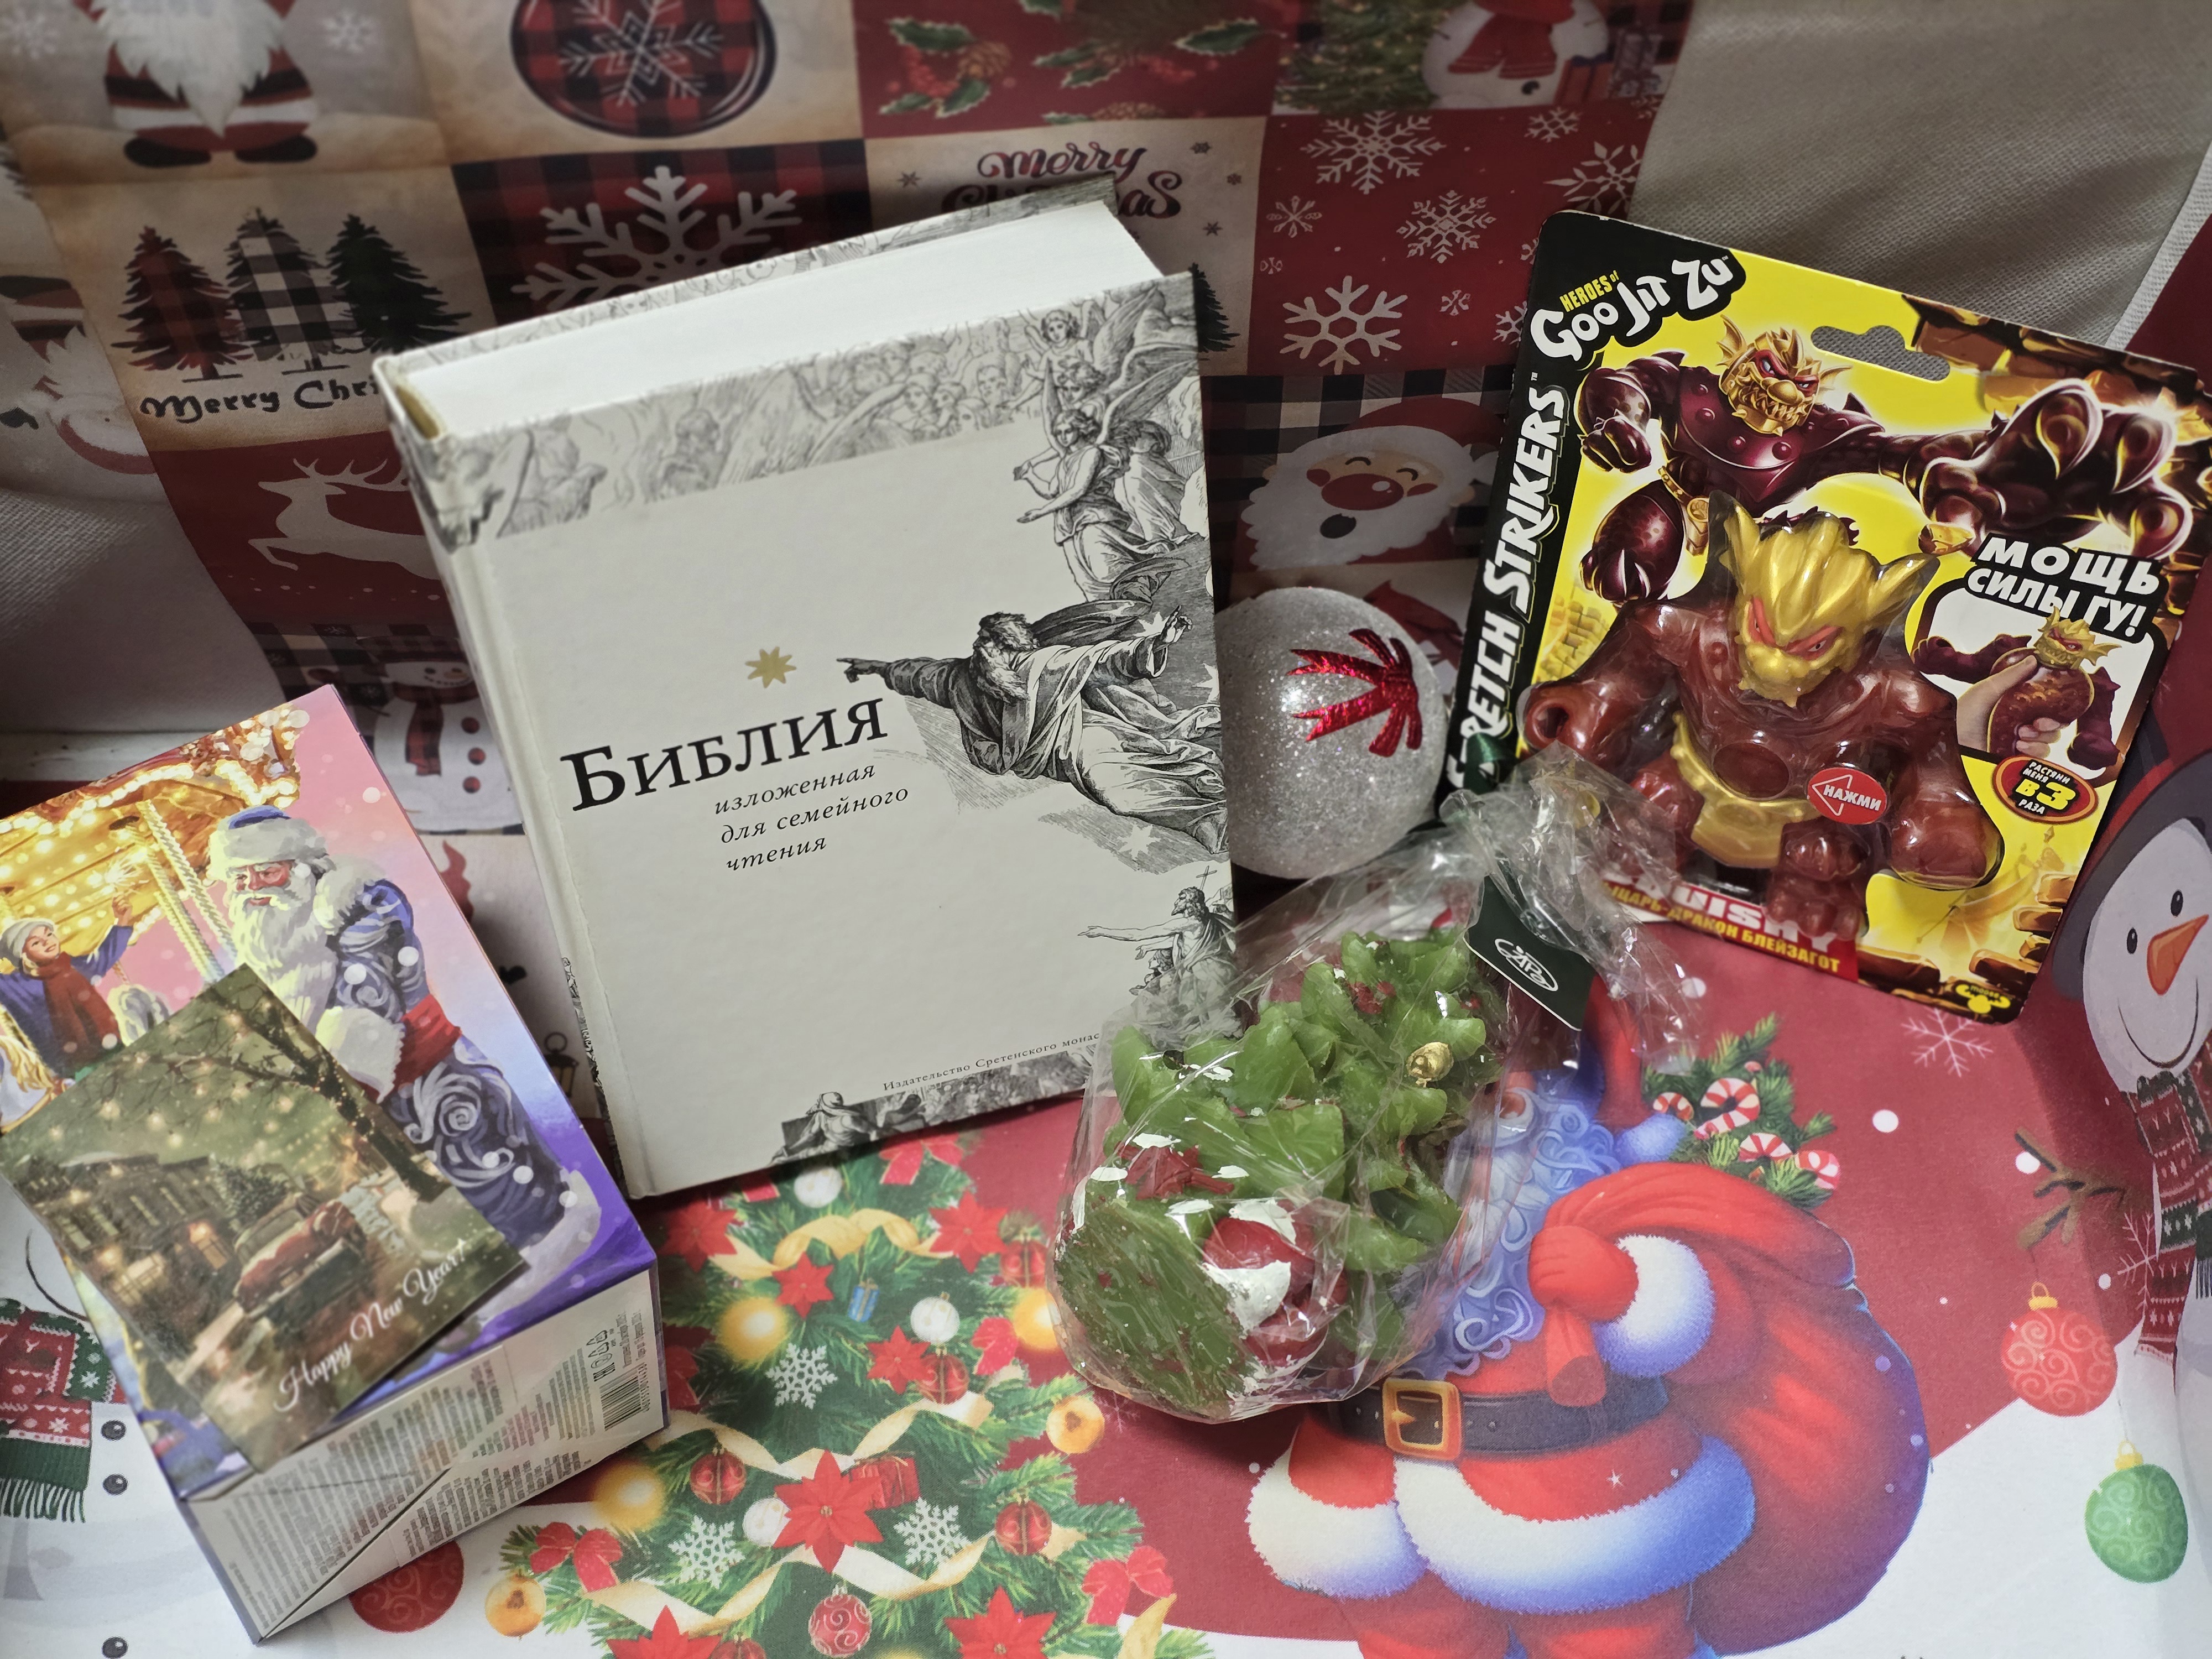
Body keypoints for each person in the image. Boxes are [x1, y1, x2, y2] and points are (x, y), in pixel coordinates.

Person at [205, 806, 593, 1262]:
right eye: (240, 879)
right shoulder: (278, 954)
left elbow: (374, 997)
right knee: (451, 1180)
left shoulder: (362, 903)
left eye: (266, 872)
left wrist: (339, 1068)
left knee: (484, 1157)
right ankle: (514, 1247)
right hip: (383, 1091)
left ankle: (549, 1233)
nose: (253, 890)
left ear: (301, 866)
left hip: (431, 1067)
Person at [842, 607, 1225, 853]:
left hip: (1083, 736)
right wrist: (877, 668)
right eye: (984, 643)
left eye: (993, 643)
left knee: (1123, 792)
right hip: (1058, 762)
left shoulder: (1045, 663)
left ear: (1008, 644)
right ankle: (1206, 810)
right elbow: (918, 675)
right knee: (1136, 781)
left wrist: (1156, 643)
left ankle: (1207, 820)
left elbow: (1102, 658)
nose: (984, 648)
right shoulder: (961, 678)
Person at [1240, 398, 1489, 570]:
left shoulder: (1425, 541)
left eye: (1411, 475)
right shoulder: (1257, 527)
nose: (1376, 484)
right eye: (1357, 463)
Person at [0, 898, 135, 1076]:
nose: (47, 942)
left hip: (112, 1047)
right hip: (72, 1068)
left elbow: (105, 955)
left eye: (49, 935)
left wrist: (122, 921)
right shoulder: (17, 987)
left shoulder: (73, 966)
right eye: (36, 943)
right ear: (23, 955)